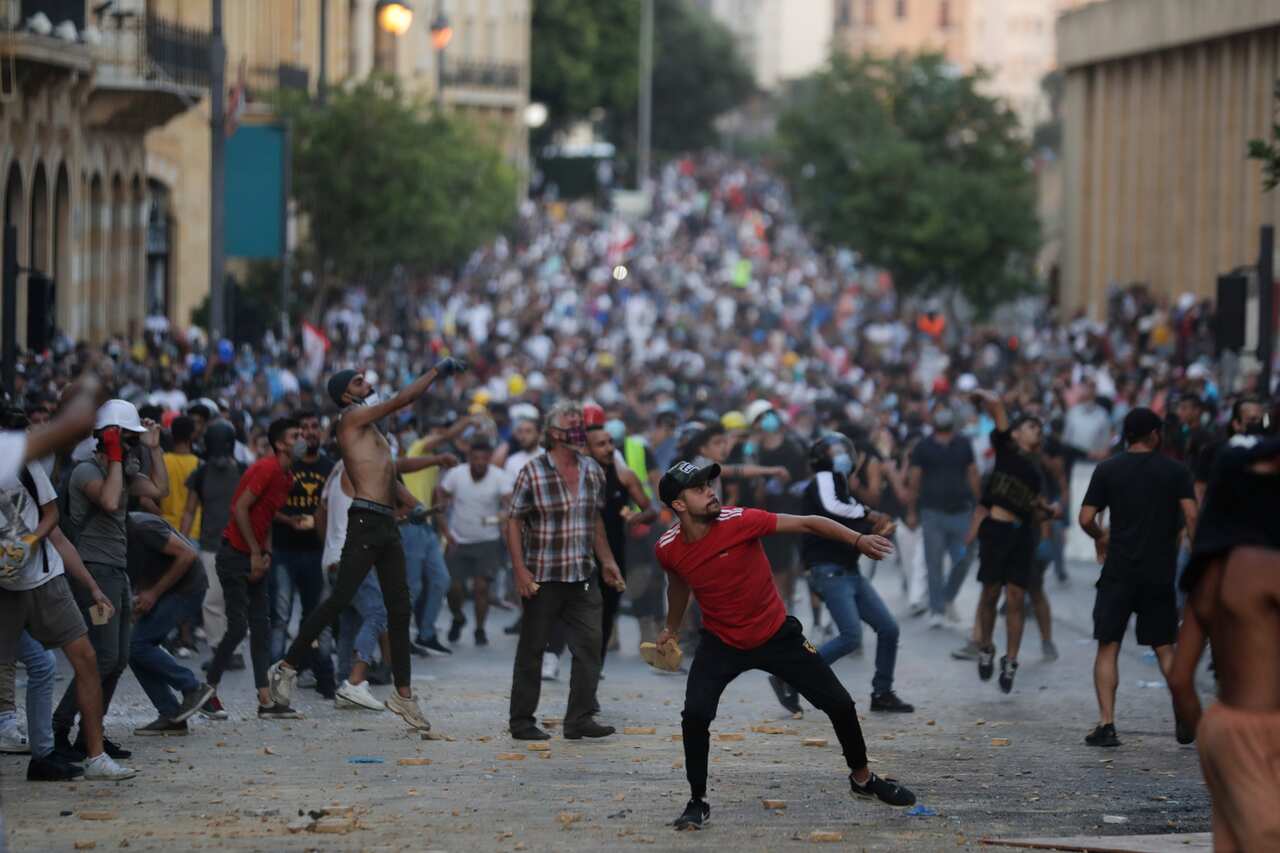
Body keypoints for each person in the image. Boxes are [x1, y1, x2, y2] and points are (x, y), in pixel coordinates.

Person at [653, 460, 915, 831]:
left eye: (709, 484)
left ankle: (863, 779)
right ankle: (697, 800)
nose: (711, 491)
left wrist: (858, 540)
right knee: (694, 716)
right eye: (698, 489)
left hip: (776, 634)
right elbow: (678, 585)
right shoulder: (667, 548)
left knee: (839, 703)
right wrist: (671, 628)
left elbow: (810, 521)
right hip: (721, 642)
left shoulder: (740, 520)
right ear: (678, 505)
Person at [270, 360, 469, 731]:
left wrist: (416, 508)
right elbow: (403, 399)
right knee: (340, 598)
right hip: (364, 521)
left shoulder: (372, 431)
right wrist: (436, 370)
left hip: (384, 524)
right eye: (360, 381)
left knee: (400, 608)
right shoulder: (351, 419)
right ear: (346, 393)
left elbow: (391, 476)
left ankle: (404, 696)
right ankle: (286, 666)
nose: (367, 384)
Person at [0, 423, 134, 780]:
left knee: (87, 659)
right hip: (4, 588)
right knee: (44, 667)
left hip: (43, 579)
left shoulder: (20, 462)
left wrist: (27, 542)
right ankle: (43, 751)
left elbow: (52, 520)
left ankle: (94, 756)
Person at [1168, 436, 1280, 850]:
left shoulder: (1208, 575)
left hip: (1221, 728)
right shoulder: (1266, 567)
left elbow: (1180, 678)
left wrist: (1211, 741)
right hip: (1265, 731)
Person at [53, 399, 169, 760]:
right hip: (93, 570)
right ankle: (63, 726)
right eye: (127, 438)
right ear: (108, 438)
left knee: (117, 660)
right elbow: (107, 499)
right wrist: (116, 456)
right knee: (101, 658)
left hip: (116, 570)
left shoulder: (122, 469)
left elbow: (158, 490)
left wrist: (154, 448)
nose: (132, 445)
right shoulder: (87, 470)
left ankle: (93, 735)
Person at [506, 402, 626, 741]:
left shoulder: (593, 471)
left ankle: (579, 719)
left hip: (582, 575)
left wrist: (607, 560)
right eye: (572, 426)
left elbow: (594, 519)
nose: (578, 433)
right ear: (554, 434)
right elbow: (513, 520)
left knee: (590, 646)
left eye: (580, 427)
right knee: (532, 650)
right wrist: (519, 570)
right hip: (543, 575)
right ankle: (521, 721)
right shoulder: (533, 471)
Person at [1077, 407, 1197, 747]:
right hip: (1159, 573)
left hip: (1118, 572)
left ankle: (1106, 724)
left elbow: (1086, 517)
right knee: (1164, 647)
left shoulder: (1108, 469)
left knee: (1108, 645)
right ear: (1155, 434)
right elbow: (1191, 514)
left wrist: (1101, 537)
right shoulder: (1176, 471)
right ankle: (1183, 712)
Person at [801, 434, 914, 713]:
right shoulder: (824, 479)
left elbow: (845, 524)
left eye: (842, 449)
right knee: (850, 636)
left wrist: (875, 531)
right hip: (829, 570)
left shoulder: (842, 487)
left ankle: (883, 692)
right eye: (834, 450)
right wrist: (870, 514)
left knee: (888, 628)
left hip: (848, 570)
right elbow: (834, 510)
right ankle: (790, 676)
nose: (840, 455)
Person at [205, 418, 305, 718]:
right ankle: (207, 691)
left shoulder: (287, 477)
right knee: (237, 628)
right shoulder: (267, 468)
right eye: (295, 434)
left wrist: (266, 553)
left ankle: (265, 699)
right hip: (235, 554)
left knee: (261, 627)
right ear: (280, 444)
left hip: (254, 554)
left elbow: (267, 516)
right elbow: (240, 509)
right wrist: (253, 553)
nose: (301, 438)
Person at [969, 390, 1054, 694]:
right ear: (1016, 433)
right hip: (996, 531)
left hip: (1022, 536)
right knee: (991, 593)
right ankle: (986, 647)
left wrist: (1046, 513)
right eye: (1032, 427)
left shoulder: (1035, 472)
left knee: (1017, 597)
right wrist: (981, 395)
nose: (1038, 432)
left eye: (1040, 429)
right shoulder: (1005, 448)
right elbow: (998, 406)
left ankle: (1011, 660)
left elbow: (1036, 507)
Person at [126, 512, 215, 736]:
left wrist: (153, 594)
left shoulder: (142, 527)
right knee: (133, 649)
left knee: (138, 646)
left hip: (187, 588)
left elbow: (187, 555)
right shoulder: (119, 536)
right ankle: (171, 715)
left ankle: (193, 687)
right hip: (168, 591)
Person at [268, 410, 336, 699]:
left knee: (317, 618)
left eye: (313, 427)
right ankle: (271, 680)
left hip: (316, 553)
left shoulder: (329, 468)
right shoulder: (285, 467)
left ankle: (320, 674)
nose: (309, 433)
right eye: (303, 429)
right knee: (281, 617)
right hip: (284, 551)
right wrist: (289, 521)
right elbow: (268, 504)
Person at [182, 418, 245, 709]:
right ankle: (222, 649)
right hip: (211, 545)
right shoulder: (201, 473)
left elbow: (190, 510)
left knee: (230, 601)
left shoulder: (241, 472)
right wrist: (182, 542)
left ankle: (230, 648)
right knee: (213, 600)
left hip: (235, 545)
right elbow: (190, 509)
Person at [908, 407, 980, 626]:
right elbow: (915, 479)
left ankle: (948, 596)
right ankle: (937, 609)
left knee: (965, 557)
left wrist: (979, 506)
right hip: (933, 512)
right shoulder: (923, 447)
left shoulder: (963, 444)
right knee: (934, 562)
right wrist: (912, 510)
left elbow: (972, 473)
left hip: (961, 511)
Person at [436, 439, 512, 646]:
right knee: (453, 588)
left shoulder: (500, 478)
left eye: (484, 459)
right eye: (475, 458)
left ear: (489, 459)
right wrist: (444, 529)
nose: (479, 463)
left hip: (487, 541)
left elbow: (510, 504)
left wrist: (502, 517)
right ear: (469, 458)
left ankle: (479, 629)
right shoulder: (456, 474)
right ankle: (458, 617)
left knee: (481, 588)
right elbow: (440, 497)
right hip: (457, 540)